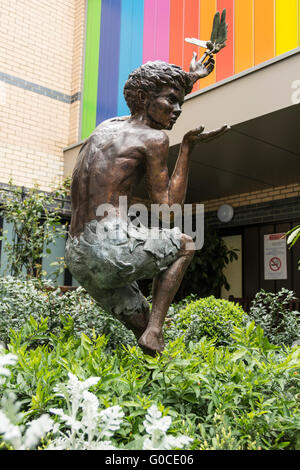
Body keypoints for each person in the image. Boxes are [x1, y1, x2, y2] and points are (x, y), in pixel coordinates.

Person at [65, 55, 228, 355]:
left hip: (77, 254)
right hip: (108, 248)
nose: (177, 110)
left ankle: (152, 356)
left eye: (181, 102)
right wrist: (188, 149)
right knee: (185, 244)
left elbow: (155, 89)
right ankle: (155, 331)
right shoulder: (154, 139)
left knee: (140, 325)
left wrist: (189, 78)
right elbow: (168, 209)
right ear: (143, 98)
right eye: (171, 101)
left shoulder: (106, 127)